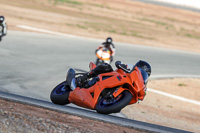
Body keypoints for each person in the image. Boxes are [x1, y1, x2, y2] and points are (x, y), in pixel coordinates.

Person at [76, 60, 151, 88]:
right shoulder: (131, 67)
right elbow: (121, 65)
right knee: (106, 66)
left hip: (123, 86)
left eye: (145, 74)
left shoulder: (142, 83)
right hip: (115, 76)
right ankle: (84, 77)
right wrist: (120, 65)